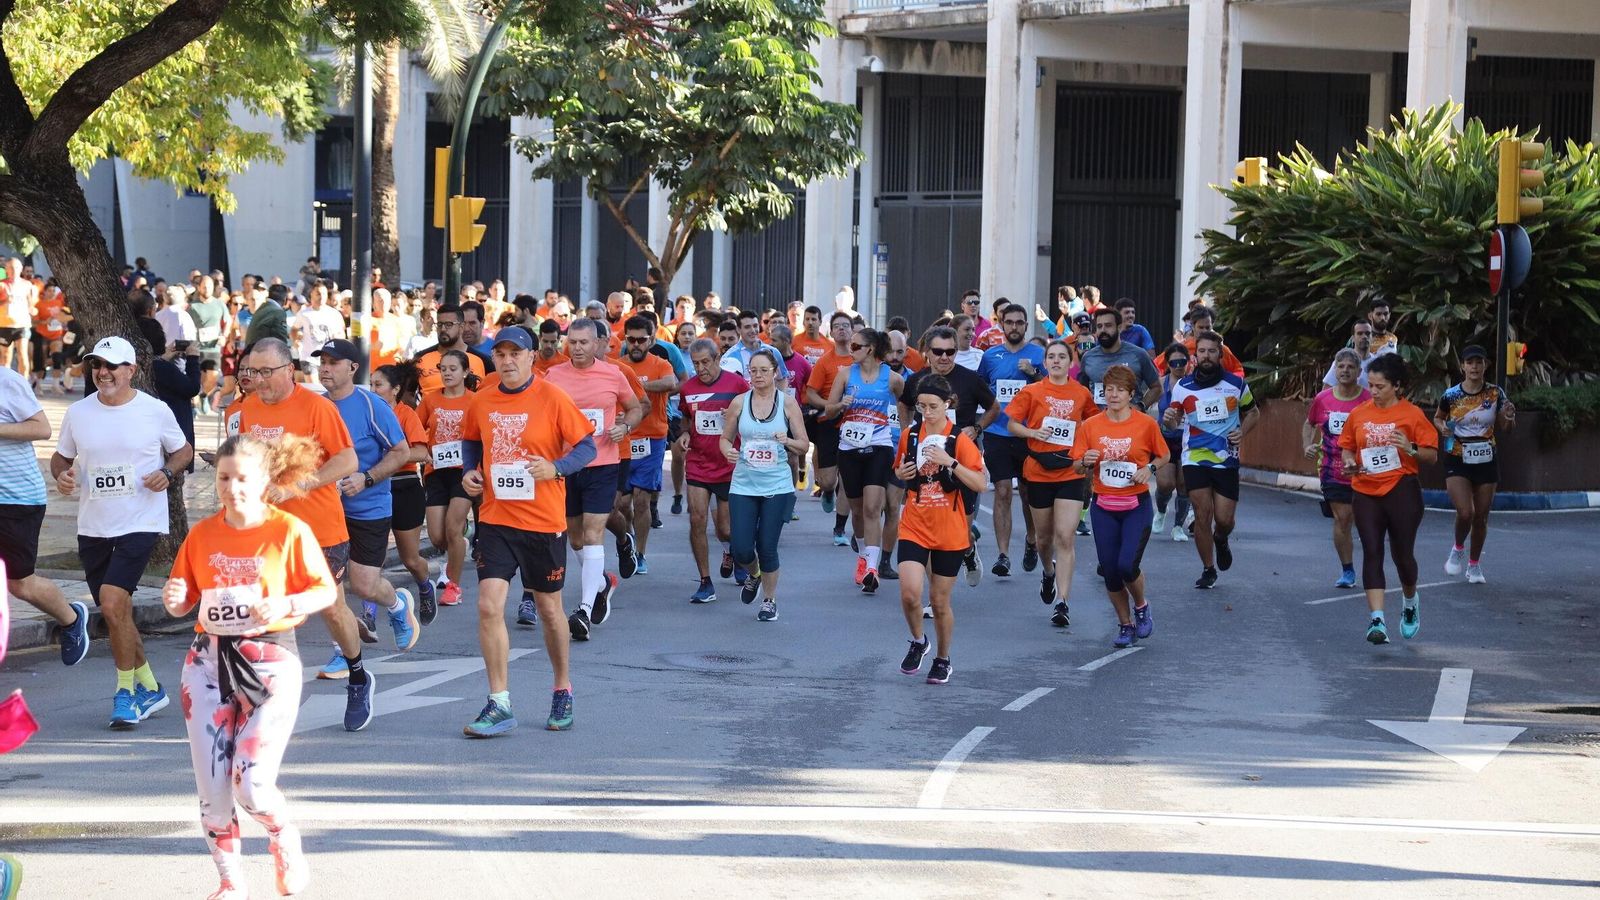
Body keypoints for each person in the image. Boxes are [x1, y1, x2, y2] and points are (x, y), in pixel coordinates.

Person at [162, 434, 337, 900]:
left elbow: (325, 592)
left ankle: (283, 837)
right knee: (213, 791)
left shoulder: (287, 530)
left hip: (271, 663)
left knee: (252, 783)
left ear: (264, 480)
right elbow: (181, 597)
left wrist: (286, 600)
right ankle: (229, 882)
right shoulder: (202, 534)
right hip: (207, 664)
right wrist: (176, 599)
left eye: (242, 478)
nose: (231, 488)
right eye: (223, 478)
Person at [460, 325, 597, 735]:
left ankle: (561, 688)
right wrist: (470, 471)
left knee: (550, 611)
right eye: (500, 355)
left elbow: (586, 447)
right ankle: (499, 702)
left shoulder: (552, 397)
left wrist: (555, 468)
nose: (506, 361)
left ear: (532, 357)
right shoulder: (482, 399)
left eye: (515, 354)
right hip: (497, 518)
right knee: (488, 604)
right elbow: (471, 441)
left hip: (543, 522)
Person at [51, 336, 193, 726]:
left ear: (131, 370)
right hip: (94, 525)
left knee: (113, 604)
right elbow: (62, 457)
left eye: (112, 366)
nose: (103, 373)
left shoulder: (155, 410)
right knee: (118, 614)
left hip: (140, 520)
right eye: (97, 365)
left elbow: (184, 451)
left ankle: (126, 693)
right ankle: (151, 686)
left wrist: (167, 473)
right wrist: (62, 475)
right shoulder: (79, 413)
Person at [235, 338, 374, 731]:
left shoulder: (317, 407)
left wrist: (299, 486)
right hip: (269, 530)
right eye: (252, 372)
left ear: (288, 371)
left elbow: (347, 460)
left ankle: (359, 675)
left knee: (332, 610)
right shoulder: (249, 407)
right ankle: (269, 693)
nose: (257, 381)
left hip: (320, 529)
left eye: (265, 372)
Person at [312, 339, 422, 663]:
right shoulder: (316, 407)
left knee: (363, 585)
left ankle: (398, 605)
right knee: (328, 585)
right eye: (322, 362)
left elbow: (401, 452)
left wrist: (367, 478)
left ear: (353, 368)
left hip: (369, 508)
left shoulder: (372, 406)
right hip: (328, 511)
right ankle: (342, 649)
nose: (325, 368)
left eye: (333, 363)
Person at [541, 318, 645, 640]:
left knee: (592, 532)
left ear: (598, 343)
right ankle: (602, 583)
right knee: (574, 538)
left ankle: (584, 609)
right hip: (567, 464)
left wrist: (626, 427)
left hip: (603, 462)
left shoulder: (613, 374)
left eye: (583, 342)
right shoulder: (553, 376)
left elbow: (636, 408)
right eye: (572, 342)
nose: (577, 348)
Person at [893, 374, 988, 685]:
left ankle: (943, 659)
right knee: (909, 594)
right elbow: (898, 471)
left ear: (948, 405)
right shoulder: (910, 436)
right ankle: (919, 641)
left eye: (933, 406)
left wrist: (951, 462)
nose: (927, 413)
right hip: (915, 523)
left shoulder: (959, 439)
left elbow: (980, 484)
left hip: (949, 528)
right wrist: (903, 471)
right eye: (921, 406)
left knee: (940, 600)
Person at [1337, 353, 1438, 644]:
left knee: (1402, 556)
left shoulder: (1412, 415)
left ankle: (1409, 603)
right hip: (1366, 489)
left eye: (1380, 386)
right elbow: (1347, 447)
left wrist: (1411, 448)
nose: (1374, 392)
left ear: (1397, 386)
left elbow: (1431, 456)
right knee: (1371, 551)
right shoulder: (1360, 413)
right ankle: (1377, 620)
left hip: (1401, 489)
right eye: (1370, 386)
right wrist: (1349, 463)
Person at [1, 364, 91, 666]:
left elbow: (42, 427)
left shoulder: (7, 381)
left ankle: (70, 618)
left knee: (19, 583)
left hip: (16, 499)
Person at [1073, 364, 1168, 648]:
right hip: (1104, 506)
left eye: (1119, 390)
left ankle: (1141, 606)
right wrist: (1085, 461)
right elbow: (1077, 466)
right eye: (1108, 389)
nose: (1112, 395)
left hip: (1135, 506)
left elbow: (1163, 455)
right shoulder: (1090, 426)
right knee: (1110, 570)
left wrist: (1149, 469)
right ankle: (1125, 624)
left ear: (1131, 394)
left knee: (1127, 565)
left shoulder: (1146, 424)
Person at [1005, 340, 1098, 627]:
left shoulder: (1081, 393)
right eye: (1051, 357)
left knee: (1065, 537)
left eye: (1062, 357)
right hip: (1038, 471)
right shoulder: (1032, 391)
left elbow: (1095, 424)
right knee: (1044, 539)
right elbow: (1012, 424)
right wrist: (1033, 431)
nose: (1056, 361)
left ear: (1071, 362)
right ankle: (1048, 571)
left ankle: (1062, 602)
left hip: (1070, 471)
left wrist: (1089, 451)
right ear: (1044, 362)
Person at [1162, 331, 1259, 590]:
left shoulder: (1236, 384)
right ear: (1196, 355)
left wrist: (1242, 431)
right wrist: (1169, 418)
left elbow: (1253, 412)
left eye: (1211, 351)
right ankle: (1208, 569)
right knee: (1203, 515)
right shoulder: (1183, 387)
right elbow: (1173, 420)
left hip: (1226, 459)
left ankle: (1222, 539)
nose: (1206, 356)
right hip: (1194, 457)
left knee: (1225, 521)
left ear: (1220, 354)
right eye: (1202, 351)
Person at [902, 326, 996, 586]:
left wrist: (977, 428)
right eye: (938, 352)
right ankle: (936, 595)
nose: (944, 357)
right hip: (926, 462)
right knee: (931, 526)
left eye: (950, 352)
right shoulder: (916, 380)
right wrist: (907, 431)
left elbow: (994, 407)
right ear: (927, 353)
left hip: (961, 460)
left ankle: (968, 548)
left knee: (962, 527)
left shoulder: (969, 379)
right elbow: (904, 403)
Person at [721, 348, 809, 620]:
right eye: (753, 371)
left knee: (767, 545)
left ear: (775, 373)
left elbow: (804, 444)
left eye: (764, 370)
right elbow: (725, 438)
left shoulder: (788, 404)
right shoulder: (738, 402)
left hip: (777, 485)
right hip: (744, 484)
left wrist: (787, 441)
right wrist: (727, 450)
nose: (757, 375)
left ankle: (769, 601)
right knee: (742, 547)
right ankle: (754, 574)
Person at [823, 327, 904, 592]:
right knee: (857, 510)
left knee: (872, 507)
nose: (850, 349)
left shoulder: (891, 378)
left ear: (870, 349)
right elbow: (828, 410)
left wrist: (904, 432)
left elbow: (907, 403)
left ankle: (872, 566)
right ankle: (862, 557)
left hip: (880, 446)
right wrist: (840, 406)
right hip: (849, 448)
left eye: (856, 346)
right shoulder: (845, 375)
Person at [975, 304, 1045, 577]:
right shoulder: (991, 356)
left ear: (1026, 326)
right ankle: (1003, 555)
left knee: (1028, 492)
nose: (1014, 327)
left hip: (1028, 434)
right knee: (1002, 490)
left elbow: (1052, 391)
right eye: (1010, 322)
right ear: (1001, 326)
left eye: (1019, 322)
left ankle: (1031, 539)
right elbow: (980, 389)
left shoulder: (1039, 355)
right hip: (997, 433)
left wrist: (1034, 374)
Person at [1435, 344, 1514, 584]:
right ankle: (1458, 547)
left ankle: (1474, 564)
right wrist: (1443, 428)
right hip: (1457, 456)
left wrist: (1509, 418)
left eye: (1479, 362)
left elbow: (1506, 426)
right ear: (1463, 366)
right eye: (1470, 363)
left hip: (1486, 458)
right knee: (1465, 512)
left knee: (1481, 516)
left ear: (1485, 366)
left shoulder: (1495, 393)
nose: (1474, 367)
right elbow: (1438, 417)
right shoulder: (1451, 395)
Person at [678, 339, 749, 603]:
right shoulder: (688, 388)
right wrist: (684, 433)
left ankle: (734, 553)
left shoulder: (737, 385)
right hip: (698, 463)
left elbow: (753, 416)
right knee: (696, 519)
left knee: (726, 529)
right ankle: (705, 582)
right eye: (695, 363)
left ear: (717, 358)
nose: (701, 368)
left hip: (728, 464)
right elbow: (686, 417)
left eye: (705, 362)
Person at [373, 361, 437, 623]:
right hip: (374, 489)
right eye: (371, 385)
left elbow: (423, 453)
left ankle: (425, 586)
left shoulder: (405, 414)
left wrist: (394, 457)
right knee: (371, 561)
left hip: (404, 486)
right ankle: (369, 614)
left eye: (378, 385)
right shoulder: (368, 413)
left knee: (410, 558)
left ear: (395, 390)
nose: (373, 390)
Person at [617, 315, 681, 574]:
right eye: (630, 339)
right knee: (622, 505)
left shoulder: (661, 364)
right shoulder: (617, 365)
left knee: (642, 501)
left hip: (653, 438)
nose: (635, 344)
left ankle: (640, 553)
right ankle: (628, 540)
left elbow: (671, 383)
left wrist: (636, 387)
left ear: (651, 340)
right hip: (622, 437)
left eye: (641, 340)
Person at [1305, 349, 1370, 588]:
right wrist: (1307, 445)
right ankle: (1348, 570)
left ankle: (1371, 566)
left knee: (1364, 520)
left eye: (1350, 367)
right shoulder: (1323, 399)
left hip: (1364, 471)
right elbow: (1309, 423)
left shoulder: (1368, 400)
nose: (1345, 371)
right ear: (1335, 370)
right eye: (1340, 366)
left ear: (1359, 372)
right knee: (1343, 518)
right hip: (1332, 469)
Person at [419, 349, 476, 609]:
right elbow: (415, 429)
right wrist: (422, 452)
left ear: (465, 372)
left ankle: (453, 586)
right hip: (436, 471)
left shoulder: (475, 401)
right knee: (437, 537)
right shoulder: (430, 401)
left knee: (452, 527)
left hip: (463, 472)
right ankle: (465, 534)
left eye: (453, 369)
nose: (448, 373)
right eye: (443, 369)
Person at [805, 311, 857, 532]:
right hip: (829, 422)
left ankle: (840, 528)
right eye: (838, 326)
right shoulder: (825, 361)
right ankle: (827, 490)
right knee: (827, 480)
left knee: (847, 477)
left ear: (853, 330)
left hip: (856, 424)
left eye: (846, 325)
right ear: (832, 332)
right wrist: (829, 405)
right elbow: (810, 394)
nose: (842, 329)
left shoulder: (860, 359)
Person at [1079, 307, 1161, 410]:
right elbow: (1081, 391)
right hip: (1098, 422)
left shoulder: (1139, 354)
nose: (1103, 330)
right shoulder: (1088, 358)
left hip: (1130, 421)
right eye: (1099, 326)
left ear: (1119, 327)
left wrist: (1141, 406)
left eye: (1108, 325)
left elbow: (1157, 387)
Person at [1153, 343, 1193, 542]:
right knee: (1166, 483)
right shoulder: (1160, 383)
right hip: (1165, 439)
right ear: (1167, 364)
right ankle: (1160, 511)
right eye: (1174, 362)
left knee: (1185, 484)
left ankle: (1178, 527)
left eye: (1182, 361)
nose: (1178, 365)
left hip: (1188, 440)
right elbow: (1143, 404)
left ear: (1189, 362)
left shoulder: (1195, 384)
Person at [414, 303, 487, 397]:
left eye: (449, 324)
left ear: (461, 327)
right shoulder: (420, 358)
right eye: (439, 324)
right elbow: (407, 393)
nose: (443, 329)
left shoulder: (482, 360)